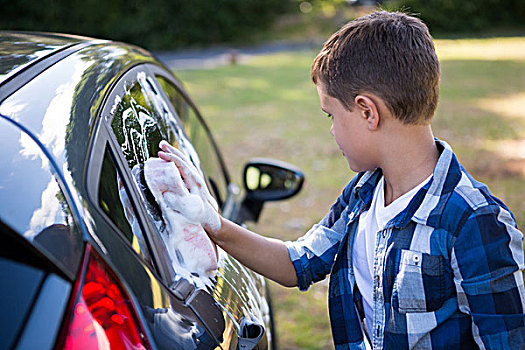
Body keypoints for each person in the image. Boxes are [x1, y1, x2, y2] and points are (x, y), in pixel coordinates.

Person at [159, 11, 525, 349]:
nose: (332, 131)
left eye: (331, 115)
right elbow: (298, 263)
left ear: (368, 111)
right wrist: (213, 223)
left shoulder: (475, 222)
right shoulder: (364, 193)